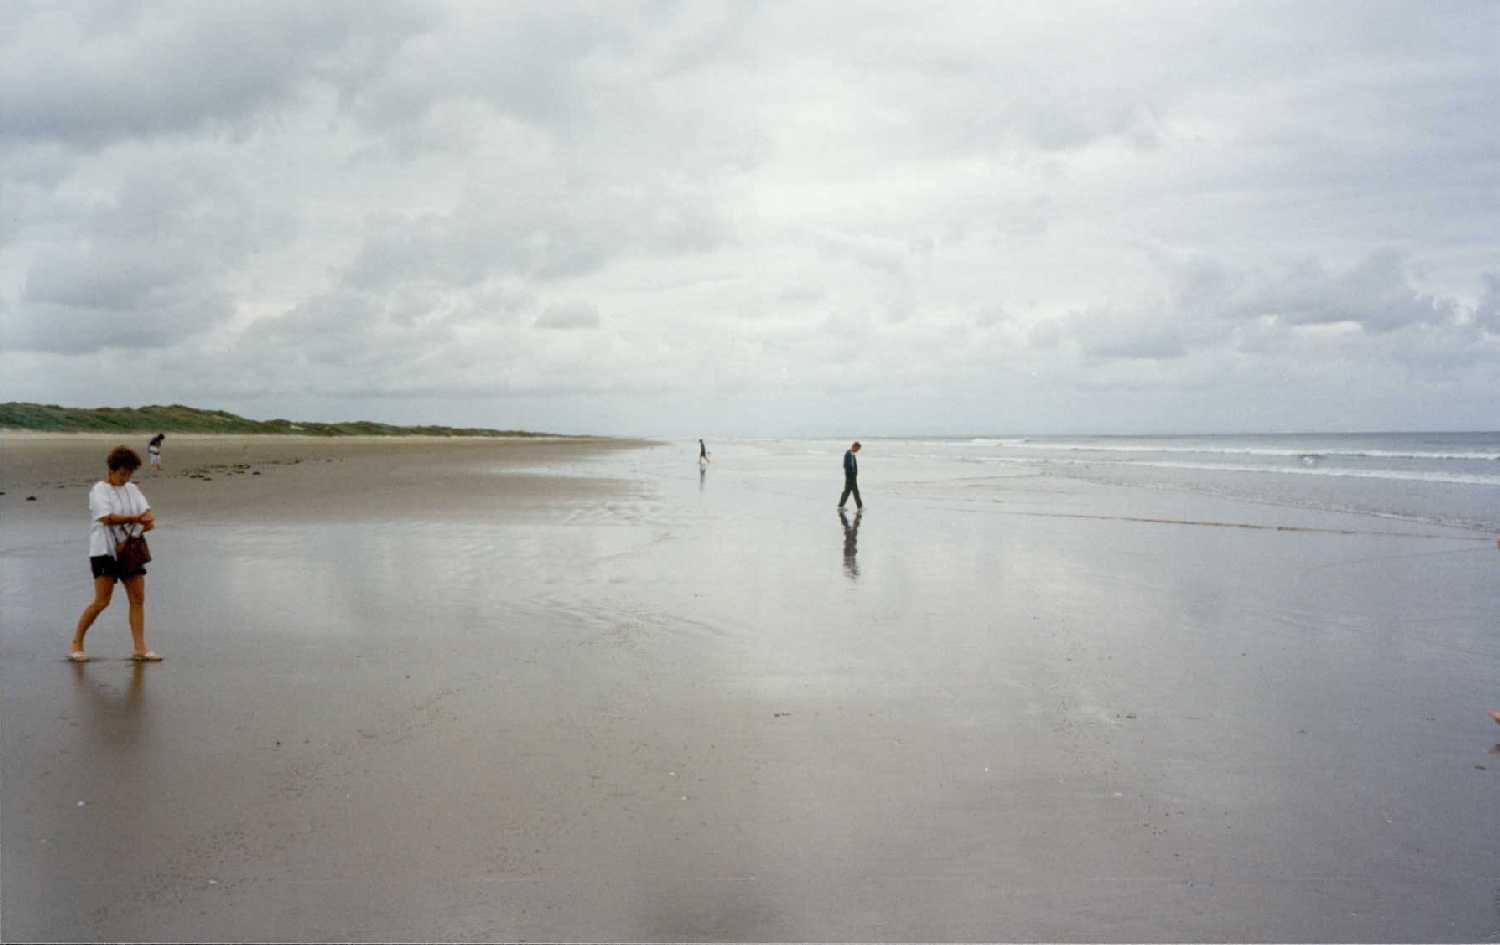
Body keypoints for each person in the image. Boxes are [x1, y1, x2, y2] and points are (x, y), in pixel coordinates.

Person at [70, 446, 161, 663]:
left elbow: (147, 514)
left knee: (138, 598)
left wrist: (145, 519)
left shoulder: (132, 489)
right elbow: (106, 517)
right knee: (102, 601)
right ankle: (77, 643)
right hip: (104, 550)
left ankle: (140, 648)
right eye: (122, 474)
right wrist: (137, 519)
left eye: (129, 474)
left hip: (130, 549)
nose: (125, 478)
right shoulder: (99, 490)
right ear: (111, 470)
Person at [838, 440, 863, 510]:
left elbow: (853, 466)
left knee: (851, 492)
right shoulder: (848, 454)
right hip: (850, 477)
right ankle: (859, 507)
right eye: (857, 449)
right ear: (854, 447)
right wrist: (850, 475)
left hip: (853, 477)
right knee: (850, 492)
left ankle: (859, 506)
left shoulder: (852, 455)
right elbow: (846, 465)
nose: (858, 451)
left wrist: (854, 475)